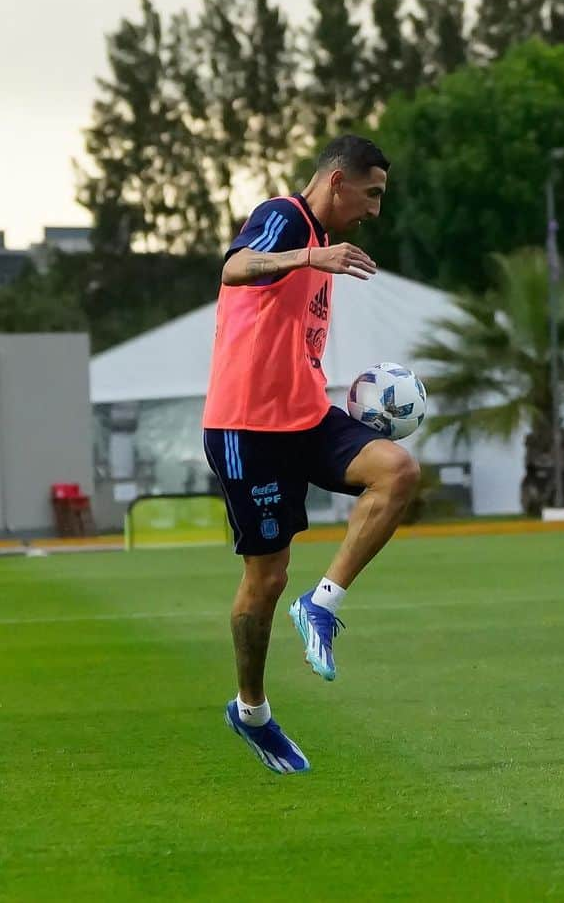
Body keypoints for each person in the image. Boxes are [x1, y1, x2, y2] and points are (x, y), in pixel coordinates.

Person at [203, 135, 420, 774]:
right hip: (245, 429)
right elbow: (233, 267)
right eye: (371, 193)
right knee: (265, 578)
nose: (376, 210)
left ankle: (322, 605)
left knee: (398, 472)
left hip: (306, 416)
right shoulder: (282, 217)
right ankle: (252, 712)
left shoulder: (320, 252)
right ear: (335, 182)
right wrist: (306, 257)